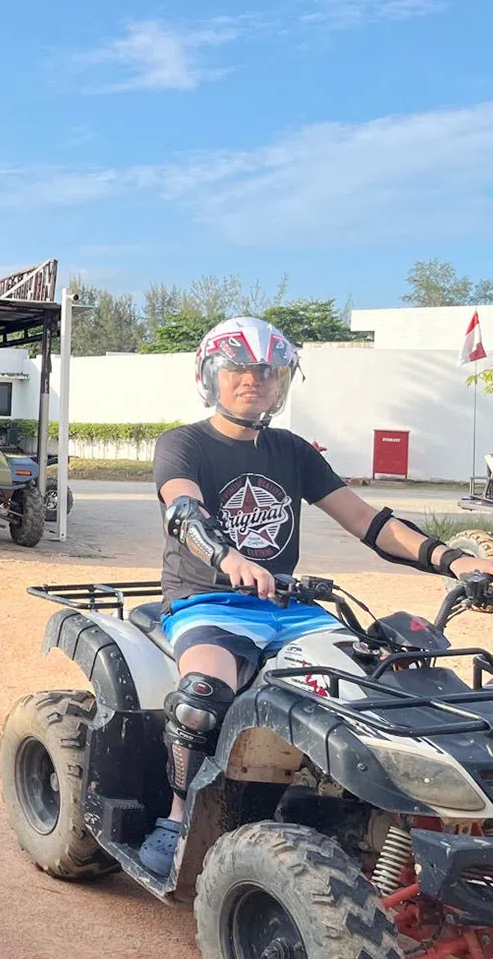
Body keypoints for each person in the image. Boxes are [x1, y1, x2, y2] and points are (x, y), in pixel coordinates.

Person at [137, 316, 493, 878]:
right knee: (201, 699)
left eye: (267, 371)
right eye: (238, 369)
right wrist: (228, 558)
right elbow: (183, 510)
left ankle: (361, 817)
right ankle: (179, 819)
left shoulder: (292, 451)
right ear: (209, 376)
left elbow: (368, 521)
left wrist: (455, 559)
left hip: (291, 608)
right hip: (207, 603)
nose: (253, 380)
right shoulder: (183, 444)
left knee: (380, 688)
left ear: (281, 383)